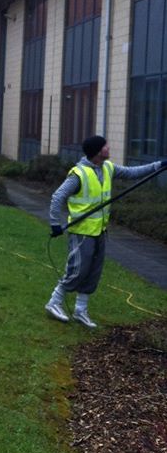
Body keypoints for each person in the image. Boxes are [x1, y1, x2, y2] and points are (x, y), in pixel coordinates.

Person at [45, 135, 167, 328]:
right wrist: (54, 223)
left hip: (100, 231)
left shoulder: (108, 168)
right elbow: (57, 197)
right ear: (97, 151)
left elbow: (132, 172)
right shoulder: (79, 174)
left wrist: (159, 165)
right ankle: (54, 302)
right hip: (82, 231)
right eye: (105, 146)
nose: (109, 147)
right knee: (78, 271)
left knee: (93, 272)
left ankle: (80, 310)